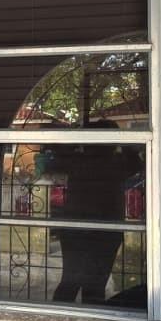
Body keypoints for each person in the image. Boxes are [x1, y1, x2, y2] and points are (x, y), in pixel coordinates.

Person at [48, 124, 126, 304]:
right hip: (100, 231)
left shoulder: (81, 160)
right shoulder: (116, 162)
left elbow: (55, 159)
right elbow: (139, 161)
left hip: (86, 230)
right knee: (90, 284)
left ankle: (58, 319)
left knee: (73, 281)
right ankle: (69, 319)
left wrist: (75, 143)